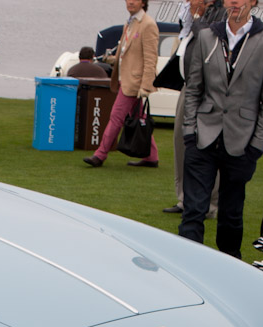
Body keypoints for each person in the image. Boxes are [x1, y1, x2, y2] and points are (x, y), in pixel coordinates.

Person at [178, 0, 263, 259]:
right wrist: (190, 132)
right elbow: (194, 89)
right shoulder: (206, 36)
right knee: (193, 211)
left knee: (231, 215)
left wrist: (257, 146)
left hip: (242, 141)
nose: (234, 2)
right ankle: (186, 267)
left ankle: (230, 268)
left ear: (253, 2)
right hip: (202, 136)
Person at [83, 0, 159, 168]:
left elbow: (150, 58)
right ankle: (151, 157)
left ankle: (100, 154)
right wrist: (111, 59)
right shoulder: (130, 23)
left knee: (116, 117)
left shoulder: (148, 25)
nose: (130, 2)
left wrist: (146, 86)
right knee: (139, 118)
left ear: (143, 2)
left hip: (135, 83)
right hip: (126, 80)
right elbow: (126, 53)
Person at [164, 0, 218, 215]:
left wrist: (197, 17)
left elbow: (208, 41)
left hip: (209, 89)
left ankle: (211, 204)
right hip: (189, 87)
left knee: (208, 145)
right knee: (181, 141)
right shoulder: (189, 15)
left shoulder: (220, 14)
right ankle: (185, 199)